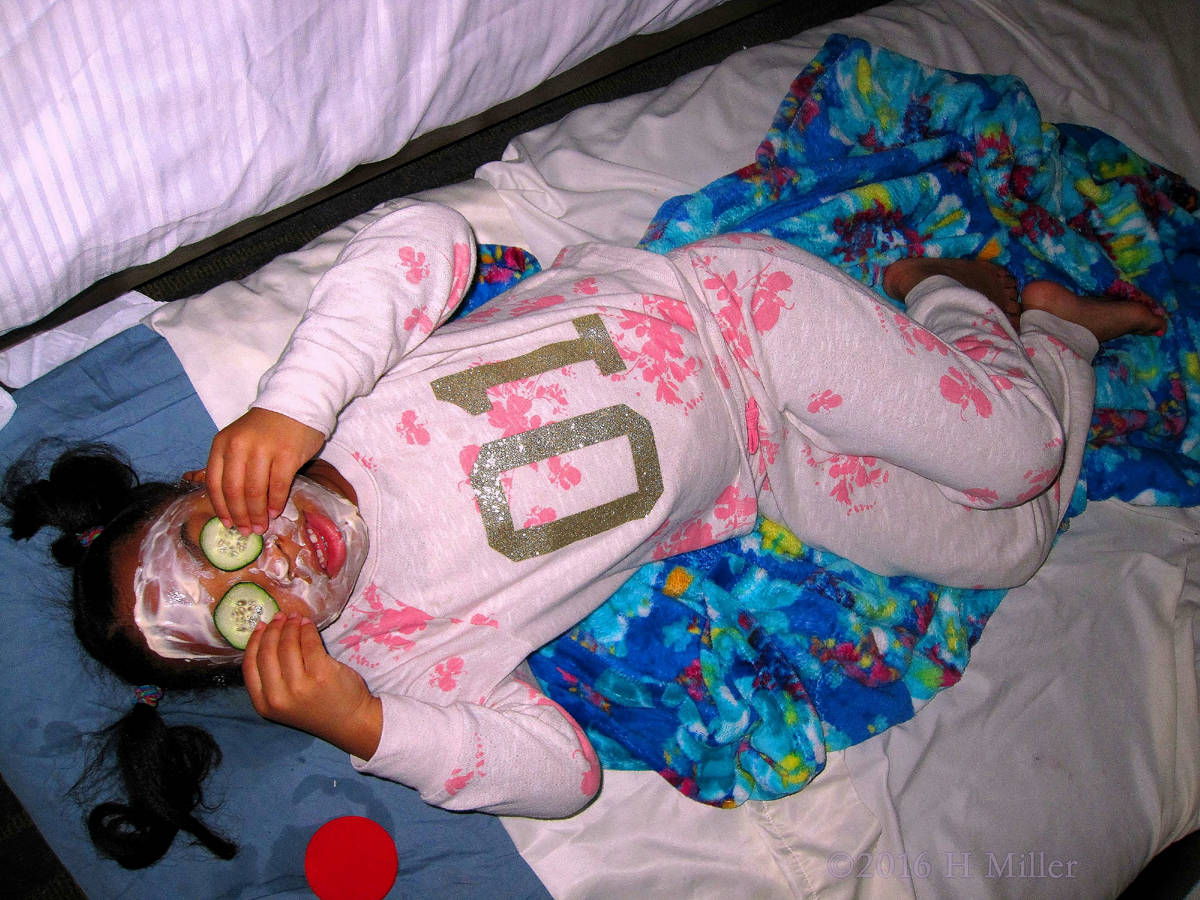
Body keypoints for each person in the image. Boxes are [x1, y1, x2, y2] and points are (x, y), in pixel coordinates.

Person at [3, 202, 1164, 868]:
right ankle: (1054, 336)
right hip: (756, 470)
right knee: (1006, 546)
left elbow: (423, 239)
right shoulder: (398, 660)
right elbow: (559, 778)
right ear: (268, 652)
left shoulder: (329, 406)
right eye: (243, 612)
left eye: (218, 539)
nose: (270, 562)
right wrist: (366, 722)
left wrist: (294, 399)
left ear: (213, 481)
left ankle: (956, 288)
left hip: (735, 315)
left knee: (1019, 456)